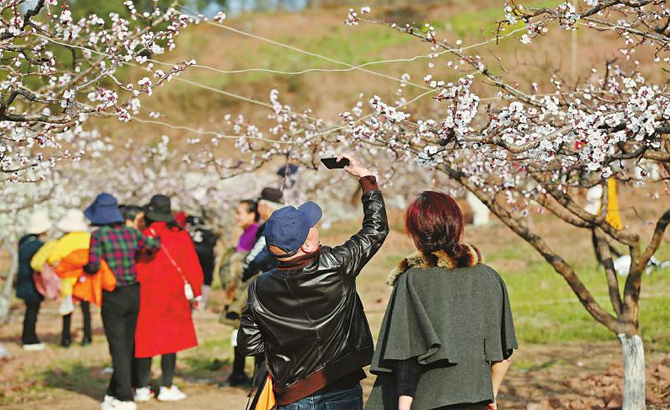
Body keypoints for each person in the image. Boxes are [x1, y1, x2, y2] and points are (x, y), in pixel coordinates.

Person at [238, 154, 389, 409]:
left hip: (292, 394)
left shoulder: (259, 286)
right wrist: (365, 178)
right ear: (307, 244)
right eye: (312, 226)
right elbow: (375, 229)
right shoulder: (335, 265)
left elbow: (249, 343)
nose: (316, 226)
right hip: (342, 383)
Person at [365, 191, 518, 410]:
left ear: (417, 233)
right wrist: (491, 395)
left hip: (426, 401)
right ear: (456, 224)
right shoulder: (489, 277)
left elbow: (406, 354)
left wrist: (403, 407)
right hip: (477, 399)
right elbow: (502, 354)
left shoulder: (413, 280)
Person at [83, 193, 161, 410]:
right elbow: (153, 245)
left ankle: (125, 398)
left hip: (113, 295)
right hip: (134, 293)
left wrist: (82, 269)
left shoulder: (99, 236)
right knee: (127, 344)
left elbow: (93, 266)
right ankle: (113, 392)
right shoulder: (130, 233)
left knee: (117, 347)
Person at [133, 195, 204, 403]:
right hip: (172, 297)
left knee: (145, 341)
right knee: (170, 342)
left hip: (146, 295)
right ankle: (166, 386)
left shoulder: (143, 236)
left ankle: (143, 388)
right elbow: (192, 265)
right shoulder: (180, 235)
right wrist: (196, 291)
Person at [224, 189, 282, 387]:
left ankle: (262, 380)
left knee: (261, 334)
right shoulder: (287, 221)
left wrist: (243, 273)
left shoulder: (271, 225)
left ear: (265, 206)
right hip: (284, 284)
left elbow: (254, 259)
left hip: (268, 285)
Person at [45, 209, 93, 347]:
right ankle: (87, 337)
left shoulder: (64, 242)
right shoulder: (88, 238)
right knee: (86, 310)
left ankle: (66, 338)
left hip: (68, 281)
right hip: (85, 279)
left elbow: (52, 258)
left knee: (67, 308)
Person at [17, 211, 52, 351]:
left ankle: (28, 337)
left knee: (29, 311)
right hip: (31, 284)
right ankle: (29, 340)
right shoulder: (37, 245)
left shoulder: (24, 240)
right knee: (32, 312)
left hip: (23, 282)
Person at [185, 214, 219, 309]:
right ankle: (202, 302)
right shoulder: (208, 231)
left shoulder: (189, 231)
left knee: (192, 278)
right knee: (206, 279)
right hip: (207, 256)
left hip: (194, 255)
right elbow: (213, 241)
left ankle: (194, 301)